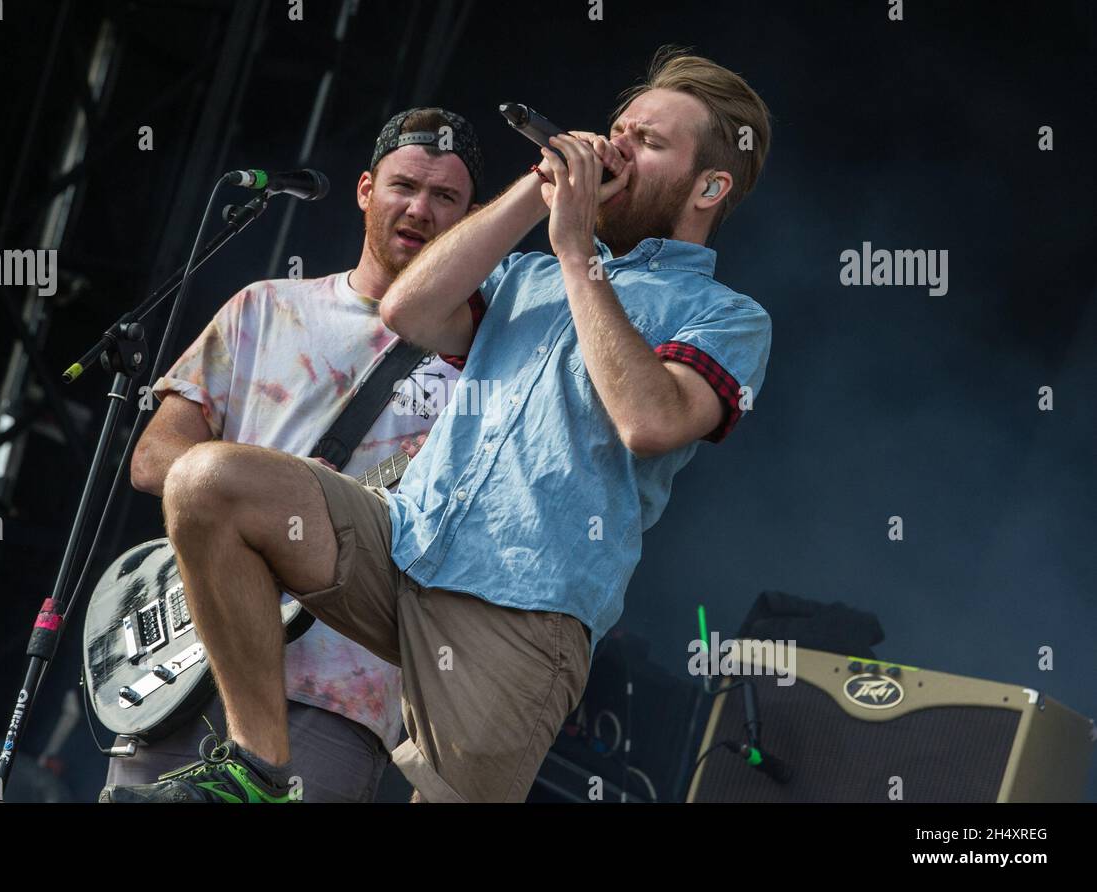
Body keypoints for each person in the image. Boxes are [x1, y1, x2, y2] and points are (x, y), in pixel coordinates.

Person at [105, 45, 772, 803]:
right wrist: (537, 189)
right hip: (405, 545)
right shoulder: (527, 273)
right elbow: (408, 312)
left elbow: (649, 421)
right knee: (207, 481)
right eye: (617, 130)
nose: (616, 148)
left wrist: (578, 249)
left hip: (524, 613)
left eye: (648, 143)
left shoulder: (727, 318)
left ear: (709, 185)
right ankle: (255, 765)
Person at [98, 107, 484, 803]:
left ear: (472, 219)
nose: (419, 208)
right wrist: (260, 507)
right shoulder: (265, 307)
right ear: (366, 190)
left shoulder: (487, 375)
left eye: (445, 197)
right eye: (403, 186)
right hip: (188, 665)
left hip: (335, 693)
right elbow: (156, 457)